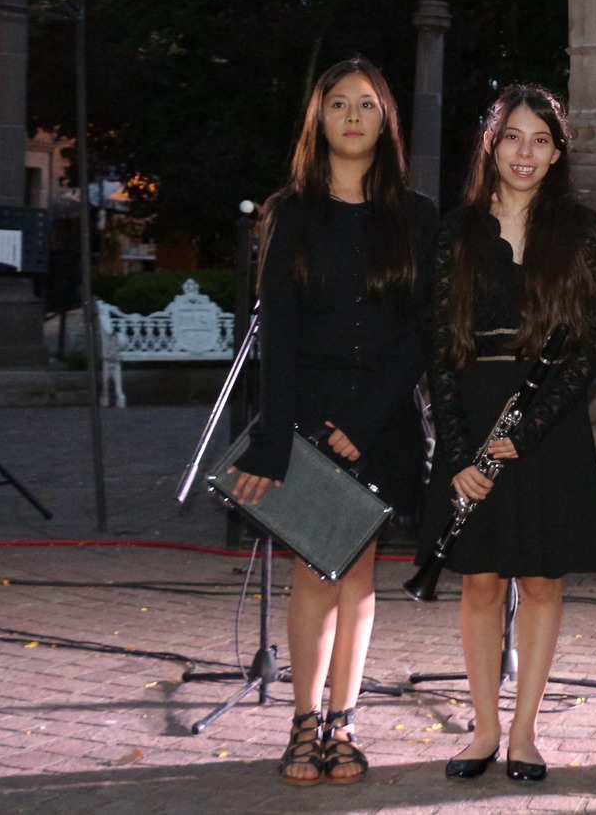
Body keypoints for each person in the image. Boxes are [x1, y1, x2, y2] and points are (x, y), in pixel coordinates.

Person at [228, 57, 438, 786]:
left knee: (360, 572)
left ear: (387, 121)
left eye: (368, 105)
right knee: (314, 569)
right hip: (306, 415)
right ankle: (303, 721)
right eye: (339, 103)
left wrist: (366, 416)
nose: (353, 116)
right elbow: (276, 330)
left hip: (381, 418)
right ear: (318, 119)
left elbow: (419, 331)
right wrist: (278, 433)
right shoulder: (290, 210)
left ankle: (344, 722)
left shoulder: (417, 216)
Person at [424, 85, 596, 785]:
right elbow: (439, 348)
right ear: (490, 145)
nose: (524, 152)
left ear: (558, 150)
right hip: (473, 416)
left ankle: (526, 731)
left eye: (539, 138)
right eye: (511, 137)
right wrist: (458, 451)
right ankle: (483, 727)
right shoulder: (455, 231)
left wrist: (527, 432)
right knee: (478, 581)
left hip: (548, 425)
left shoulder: (581, 230)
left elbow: (595, 345)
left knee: (538, 579)